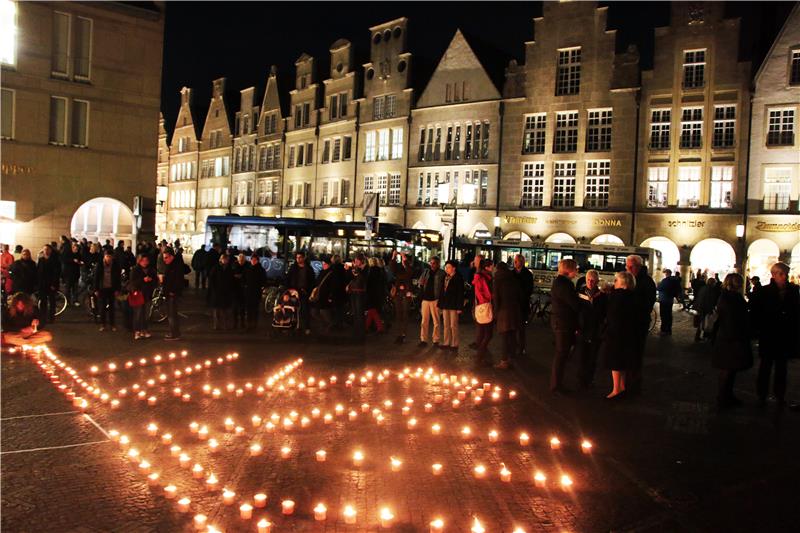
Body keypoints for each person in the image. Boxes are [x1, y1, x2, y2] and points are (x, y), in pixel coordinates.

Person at [751, 262, 799, 408]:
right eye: (781, 274)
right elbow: (756, 313)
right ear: (774, 275)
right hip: (769, 335)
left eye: (786, 273)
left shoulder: (794, 291)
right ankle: (762, 395)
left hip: (785, 336)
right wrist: (759, 330)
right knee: (765, 366)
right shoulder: (764, 292)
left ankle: (780, 395)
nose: (785, 277)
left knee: (782, 368)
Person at [711, 273, 752, 410]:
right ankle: (722, 398)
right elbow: (730, 319)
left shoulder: (732, 297)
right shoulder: (728, 298)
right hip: (729, 339)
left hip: (731, 337)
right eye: (738, 282)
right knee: (726, 369)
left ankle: (728, 395)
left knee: (731, 369)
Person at [600, 271, 638, 399]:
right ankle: (622, 386)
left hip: (616, 334)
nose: (614, 283)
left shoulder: (617, 297)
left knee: (615, 362)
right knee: (623, 362)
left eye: (616, 281)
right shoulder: (633, 296)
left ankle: (616, 389)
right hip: (628, 334)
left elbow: (611, 316)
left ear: (623, 283)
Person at [549, 258, 582, 393]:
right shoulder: (564, 284)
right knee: (561, 353)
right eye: (576, 269)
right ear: (569, 270)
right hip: (563, 322)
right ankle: (556, 385)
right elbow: (574, 303)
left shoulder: (561, 282)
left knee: (562, 353)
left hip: (561, 321)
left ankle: (557, 383)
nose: (577, 271)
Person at [625, 254, 656, 394]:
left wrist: (628, 295)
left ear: (638, 266)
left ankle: (634, 383)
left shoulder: (646, 282)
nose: (628, 269)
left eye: (630, 266)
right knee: (629, 353)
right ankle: (629, 381)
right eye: (627, 266)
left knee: (636, 354)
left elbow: (646, 305)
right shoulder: (634, 279)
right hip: (631, 323)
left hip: (638, 323)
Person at [576, 269, 608, 389]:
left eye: (593, 280)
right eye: (588, 280)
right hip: (582, 330)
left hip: (595, 331)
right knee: (582, 356)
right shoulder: (580, 293)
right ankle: (581, 379)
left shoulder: (602, 296)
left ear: (597, 281)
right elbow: (576, 311)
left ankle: (590, 379)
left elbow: (605, 314)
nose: (590, 282)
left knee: (593, 358)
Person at [492, 261, 521, 370]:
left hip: (504, 312)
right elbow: (519, 295)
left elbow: (496, 298)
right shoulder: (513, 278)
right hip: (514, 310)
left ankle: (504, 361)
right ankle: (512, 359)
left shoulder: (498, 280)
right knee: (512, 336)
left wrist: (496, 313)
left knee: (504, 337)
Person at [418, 256, 444, 347]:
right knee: (424, 321)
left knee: (436, 321)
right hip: (425, 299)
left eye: (434, 263)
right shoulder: (426, 272)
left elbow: (443, 288)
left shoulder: (441, 273)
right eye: (431, 263)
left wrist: (441, 299)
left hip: (435, 299)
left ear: (438, 264)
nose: (432, 265)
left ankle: (436, 340)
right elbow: (420, 283)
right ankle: (423, 339)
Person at [286, 251, 315, 335]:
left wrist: (308, 290)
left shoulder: (308, 268)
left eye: (300, 257)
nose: (298, 259)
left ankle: (306, 326)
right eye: (297, 258)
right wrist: (289, 289)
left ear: (303, 258)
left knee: (305, 310)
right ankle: (294, 326)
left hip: (304, 292)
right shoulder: (293, 267)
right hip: (294, 291)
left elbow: (312, 281)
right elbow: (288, 278)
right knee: (293, 309)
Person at [438, 260, 464, 353]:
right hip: (446, 304)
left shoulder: (458, 278)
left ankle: (454, 343)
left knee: (453, 325)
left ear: (454, 268)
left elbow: (460, 293)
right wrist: (440, 305)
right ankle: (446, 342)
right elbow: (442, 291)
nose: (446, 269)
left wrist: (459, 307)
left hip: (453, 305)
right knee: (446, 325)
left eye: (448, 267)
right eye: (446, 267)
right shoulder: (445, 277)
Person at [129, 253, 157, 340]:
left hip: (147, 294)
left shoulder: (151, 270)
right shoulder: (135, 269)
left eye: (146, 261)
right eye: (143, 261)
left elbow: (155, 281)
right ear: (139, 261)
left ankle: (144, 330)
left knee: (146, 313)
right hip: (138, 293)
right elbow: (132, 282)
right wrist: (143, 280)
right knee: (138, 313)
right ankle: (137, 331)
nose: (145, 262)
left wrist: (151, 280)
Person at [93, 250, 121, 331]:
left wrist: (118, 289)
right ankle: (103, 324)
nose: (108, 258)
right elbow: (96, 278)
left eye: (110, 257)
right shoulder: (99, 265)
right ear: (104, 257)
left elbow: (118, 278)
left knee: (112, 307)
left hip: (112, 288)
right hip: (102, 288)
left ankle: (112, 324)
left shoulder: (115, 265)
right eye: (107, 256)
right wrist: (96, 289)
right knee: (102, 307)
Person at [472, 258, 494, 367]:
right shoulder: (484, 277)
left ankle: (480, 357)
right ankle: (479, 356)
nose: (493, 268)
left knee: (482, 333)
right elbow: (484, 292)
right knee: (488, 334)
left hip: (481, 306)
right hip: (484, 306)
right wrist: (487, 300)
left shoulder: (480, 276)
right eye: (491, 266)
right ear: (487, 267)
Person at [389, 250, 414, 344]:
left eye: (405, 258)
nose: (403, 260)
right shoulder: (399, 267)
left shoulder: (409, 267)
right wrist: (393, 257)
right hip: (398, 293)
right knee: (398, 314)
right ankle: (399, 334)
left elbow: (409, 272)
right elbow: (392, 268)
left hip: (406, 293)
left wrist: (405, 261)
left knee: (405, 314)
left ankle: (403, 334)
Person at [512, 254, 534, 357]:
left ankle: (521, 348)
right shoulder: (512, 273)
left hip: (522, 305)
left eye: (517, 261)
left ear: (522, 261)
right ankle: (513, 346)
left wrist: (522, 296)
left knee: (521, 329)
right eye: (514, 261)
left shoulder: (527, 274)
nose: (515, 263)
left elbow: (529, 289)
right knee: (512, 328)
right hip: (513, 305)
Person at [161, 248, 184, 340]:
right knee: (171, 314)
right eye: (164, 258)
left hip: (172, 294)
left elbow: (177, 281)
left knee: (172, 314)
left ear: (171, 257)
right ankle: (175, 332)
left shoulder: (175, 266)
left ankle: (174, 333)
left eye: (166, 257)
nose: (164, 260)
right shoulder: (171, 265)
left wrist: (172, 291)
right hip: (170, 293)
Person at [36, 244, 61, 326]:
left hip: (51, 284)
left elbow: (56, 273)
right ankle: (43, 317)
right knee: (43, 301)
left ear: (50, 250)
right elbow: (38, 272)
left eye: (47, 249)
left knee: (52, 301)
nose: (46, 251)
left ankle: (51, 317)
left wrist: (54, 284)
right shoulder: (41, 260)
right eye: (44, 249)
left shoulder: (55, 260)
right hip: (42, 284)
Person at [209, 254, 234, 330]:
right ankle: (216, 325)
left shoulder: (229, 268)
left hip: (226, 292)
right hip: (217, 292)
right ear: (221, 259)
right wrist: (214, 289)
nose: (226, 261)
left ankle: (225, 325)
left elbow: (231, 279)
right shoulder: (216, 267)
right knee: (216, 310)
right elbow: (212, 279)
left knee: (225, 310)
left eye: (227, 259)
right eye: (224, 259)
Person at [311, 257, 337, 333]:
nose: (323, 265)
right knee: (314, 312)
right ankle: (324, 324)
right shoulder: (322, 272)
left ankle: (328, 326)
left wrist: (330, 296)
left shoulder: (332, 273)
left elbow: (333, 286)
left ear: (328, 264)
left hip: (325, 297)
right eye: (323, 264)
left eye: (324, 264)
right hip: (319, 296)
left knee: (324, 312)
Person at [346, 254, 368, 341]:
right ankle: (356, 331)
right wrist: (348, 271)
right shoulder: (356, 269)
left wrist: (357, 270)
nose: (355, 262)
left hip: (360, 292)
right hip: (354, 291)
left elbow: (363, 278)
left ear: (361, 260)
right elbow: (351, 278)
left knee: (359, 313)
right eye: (355, 261)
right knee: (355, 312)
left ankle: (361, 333)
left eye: (357, 260)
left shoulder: (365, 269)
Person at [244, 254, 266, 330]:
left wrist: (261, 287)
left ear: (257, 260)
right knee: (249, 309)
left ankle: (254, 324)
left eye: (254, 260)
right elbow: (245, 279)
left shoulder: (261, 270)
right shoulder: (248, 269)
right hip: (249, 292)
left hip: (256, 292)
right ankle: (249, 324)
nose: (253, 261)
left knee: (255, 309)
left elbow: (263, 281)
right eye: (252, 260)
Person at [694, 278, 720, 342]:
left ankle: (697, 337)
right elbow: (710, 301)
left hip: (700, 308)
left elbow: (699, 298)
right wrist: (711, 309)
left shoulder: (703, 288)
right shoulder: (711, 290)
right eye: (714, 283)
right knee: (708, 323)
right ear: (712, 283)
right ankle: (706, 337)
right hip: (705, 308)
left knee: (701, 323)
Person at [365, 257, 386, 334]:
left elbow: (369, 283)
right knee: (372, 311)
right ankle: (366, 327)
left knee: (372, 311)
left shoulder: (371, 271)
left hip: (372, 294)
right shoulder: (380, 271)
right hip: (377, 293)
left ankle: (380, 327)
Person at [657, 268, 680, 335]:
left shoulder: (666, 280)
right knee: (669, 315)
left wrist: (659, 285)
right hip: (670, 300)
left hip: (664, 300)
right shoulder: (674, 281)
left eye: (665, 273)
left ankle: (663, 330)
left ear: (667, 273)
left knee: (664, 315)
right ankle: (669, 330)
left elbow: (659, 288)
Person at [61, 242, 81, 307]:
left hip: (75, 274)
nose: (76, 250)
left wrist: (80, 262)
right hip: (68, 274)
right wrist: (72, 260)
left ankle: (75, 300)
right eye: (75, 249)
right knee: (68, 289)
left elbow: (80, 260)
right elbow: (64, 261)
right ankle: (67, 301)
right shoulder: (67, 254)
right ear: (72, 248)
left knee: (75, 289)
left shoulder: (78, 254)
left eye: (77, 249)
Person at [231, 253, 248, 329]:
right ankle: (235, 323)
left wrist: (242, 276)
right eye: (240, 260)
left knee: (242, 308)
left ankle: (242, 323)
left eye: (242, 260)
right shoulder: (234, 265)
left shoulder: (247, 266)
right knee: (235, 308)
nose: (241, 261)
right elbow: (231, 275)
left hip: (243, 290)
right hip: (235, 289)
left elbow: (248, 276)